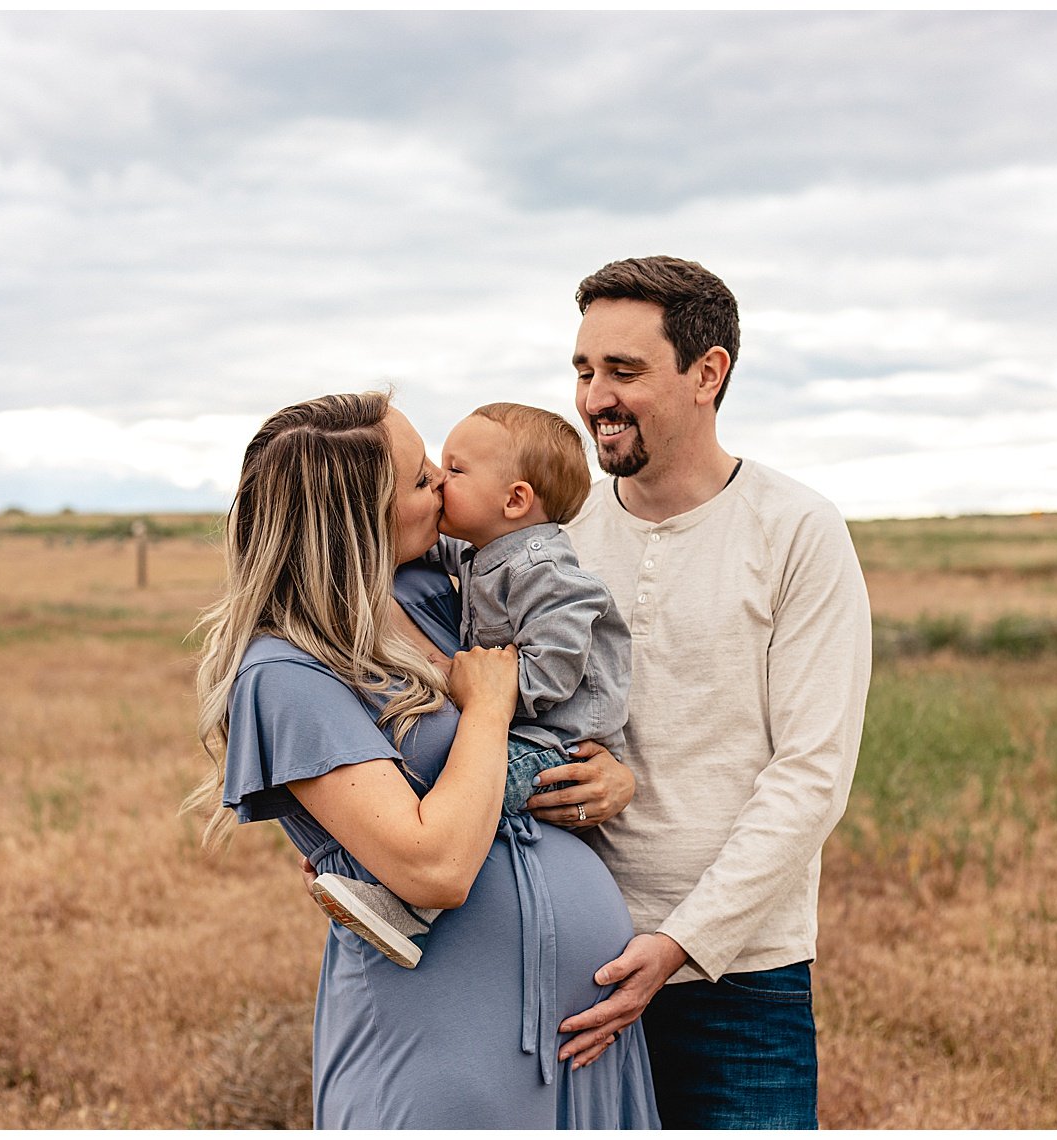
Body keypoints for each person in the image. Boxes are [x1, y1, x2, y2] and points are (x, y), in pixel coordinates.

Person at [184, 391, 659, 1129]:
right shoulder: (285, 673)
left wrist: (607, 776)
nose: (441, 480)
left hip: (582, 1036)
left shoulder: (436, 590)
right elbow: (432, 865)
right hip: (447, 1047)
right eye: (418, 478)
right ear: (356, 519)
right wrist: (492, 705)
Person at [527, 255, 873, 1128]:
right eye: (583, 369)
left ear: (707, 374)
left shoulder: (796, 530)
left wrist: (681, 942)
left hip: (740, 978)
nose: (594, 397)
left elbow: (811, 775)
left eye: (624, 371)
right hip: (567, 961)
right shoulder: (553, 539)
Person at [309, 401, 632, 970]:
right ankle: (372, 857)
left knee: (474, 789)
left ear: (514, 500)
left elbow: (557, 663)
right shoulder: (482, 548)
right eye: (428, 473)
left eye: (454, 471)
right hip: (523, 727)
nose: (437, 479)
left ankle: (408, 906)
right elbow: (413, 538)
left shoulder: (545, 570)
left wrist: (488, 691)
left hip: (549, 738)